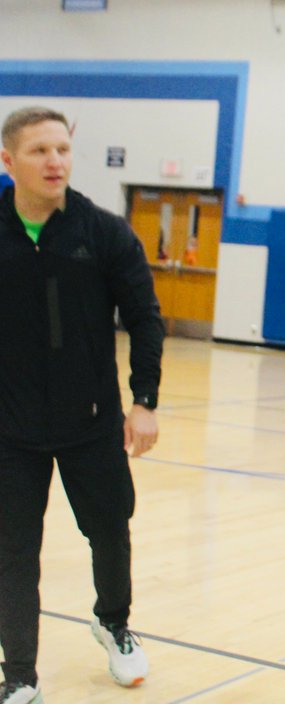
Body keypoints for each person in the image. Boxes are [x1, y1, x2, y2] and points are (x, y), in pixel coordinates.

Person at [0, 106, 164, 704]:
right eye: (40, 150)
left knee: (109, 529)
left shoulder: (102, 231)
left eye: (63, 150)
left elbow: (146, 317)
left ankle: (114, 624)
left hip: (91, 423)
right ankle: (19, 672)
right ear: (8, 160)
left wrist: (143, 400)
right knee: (13, 549)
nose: (55, 161)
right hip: (11, 429)